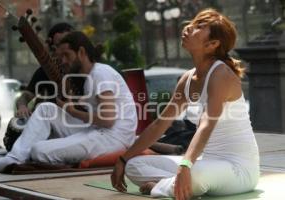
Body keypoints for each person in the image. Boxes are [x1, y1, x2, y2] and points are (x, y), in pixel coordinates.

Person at [111, 8, 259, 200]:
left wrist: (186, 165)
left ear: (213, 44)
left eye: (199, 27)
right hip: (206, 163)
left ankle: (161, 187)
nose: (189, 27)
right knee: (135, 165)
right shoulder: (187, 79)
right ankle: (174, 184)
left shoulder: (221, 74)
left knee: (196, 176)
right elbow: (159, 124)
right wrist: (123, 159)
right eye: (193, 22)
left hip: (238, 169)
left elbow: (206, 124)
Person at [0, 31, 137, 173]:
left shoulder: (101, 74)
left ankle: (27, 158)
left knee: (39, 150)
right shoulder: (89, 77)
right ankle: (13, 158)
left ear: (82, 52)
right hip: (97, 130)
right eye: (61, 56)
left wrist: (71, 111)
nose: (63, 61)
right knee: (46, 109)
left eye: (66, 55)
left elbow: (108, 120)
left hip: (113, 138)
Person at [15, 22, 75, 119]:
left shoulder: (83, 68)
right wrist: (22, 106)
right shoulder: (45, 70)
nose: (65, 48)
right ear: (53, 48)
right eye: (60, 44)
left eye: (70, 43)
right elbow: (26, 96)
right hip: (52, 122)